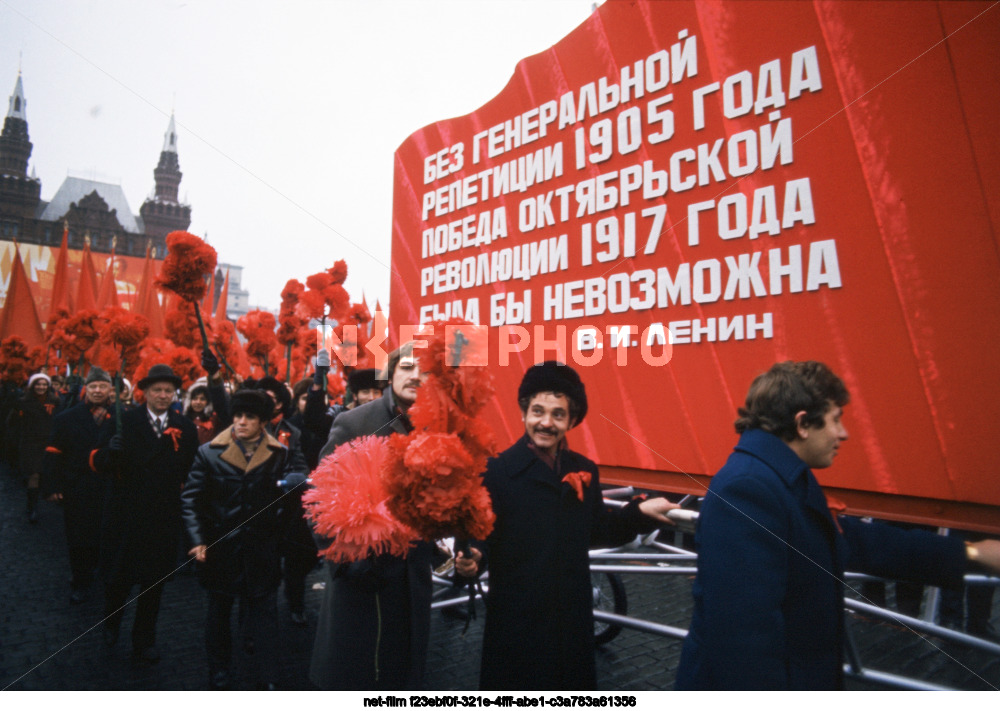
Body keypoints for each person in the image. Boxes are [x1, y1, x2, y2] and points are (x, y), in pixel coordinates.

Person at [675, 360, 1000, 690]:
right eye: (835, 419)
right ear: (802, 423)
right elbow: (743, 643)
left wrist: (970, 552)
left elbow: (856, 540)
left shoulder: (777, 477)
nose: (842, 433)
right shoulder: (749, 489)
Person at [457, 361, 677, 690]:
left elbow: (599, 530)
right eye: (538, 411)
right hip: (518, 624)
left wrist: (639, 512)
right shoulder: (496, 471)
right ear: (524, 412)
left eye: (558, 414)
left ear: (571, 420)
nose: (546, 423)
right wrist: (474, 557)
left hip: (571, 623)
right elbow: (481, 536)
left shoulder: (585, 470)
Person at [309, 343, 435, 690]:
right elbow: (319, 502)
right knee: (358, 676)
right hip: (361, 584)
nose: (416, 376)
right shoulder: (353, 422)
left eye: (426, 371)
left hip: (412, 584)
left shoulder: (440, 428)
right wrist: (346, 565)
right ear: (392, 373)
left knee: (402, 677)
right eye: (408, 367)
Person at [181, 389, 300, 690]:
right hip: (221, 549)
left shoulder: (279, 453)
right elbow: (191, 500)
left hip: (262, 552)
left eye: (250, 417)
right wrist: (197, 540)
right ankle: (219, 669)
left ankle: (268, 675)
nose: (241, 422)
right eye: (238, 416)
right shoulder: (208, 452)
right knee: (219, 614)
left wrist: (279, 534)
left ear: (263, 422)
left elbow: (290, 498)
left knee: (265, 616)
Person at [92, 364, 199, 664]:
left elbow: (192, 472)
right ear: (145, 392)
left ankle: (144, 639)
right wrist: (108, 454)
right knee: (119, 580)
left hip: (162, 518)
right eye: (157, 390)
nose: (163, 396)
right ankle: (111, 625)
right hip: (125, 515)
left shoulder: (185, 427)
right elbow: (96, 462)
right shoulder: (123, 421)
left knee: (154, 584)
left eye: (168, 391)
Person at [40, 367, 116, 603]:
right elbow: (53, 452)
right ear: (86, 388)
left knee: (105, 534)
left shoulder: (123, 417)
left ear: (110, 389)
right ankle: (80, 580)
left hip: (108, 488)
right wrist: (52, 487)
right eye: (92, 386)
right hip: (77, 488)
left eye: (102, 386)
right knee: (78, 537)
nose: (97, 390)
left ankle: (101, 574)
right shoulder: (67, 417)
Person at [5, 373, 59, 523]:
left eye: (44, 384)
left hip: (48, 442)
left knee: (44, 474)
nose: (41, 387)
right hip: (30, 443)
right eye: (38, 384)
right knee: (33, 474)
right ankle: (32, 507)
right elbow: (11, 421)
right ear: (32, 385)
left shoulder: (55, 401)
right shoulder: (23, 402)